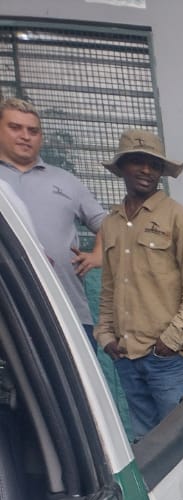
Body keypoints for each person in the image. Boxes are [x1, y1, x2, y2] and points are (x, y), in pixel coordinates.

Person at [95, 129, 183, 440]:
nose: (146, 170)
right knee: (146, 447)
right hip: (126, 356)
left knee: (179, 445)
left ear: (161, 171)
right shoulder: (111, 224)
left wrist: (170, 342)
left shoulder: (182, 219)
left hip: (167, 359)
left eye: (154, 164)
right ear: (121, 167)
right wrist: (105, 335)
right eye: (137, 161)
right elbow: (109, 287)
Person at [0, 96, 105, 340]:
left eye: (33, 131)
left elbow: (107, 225)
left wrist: (98, 254)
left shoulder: (65, 180)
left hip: (68, 311)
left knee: (75, 377)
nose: (25, 136)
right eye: (15, 127)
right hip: (8, 315)